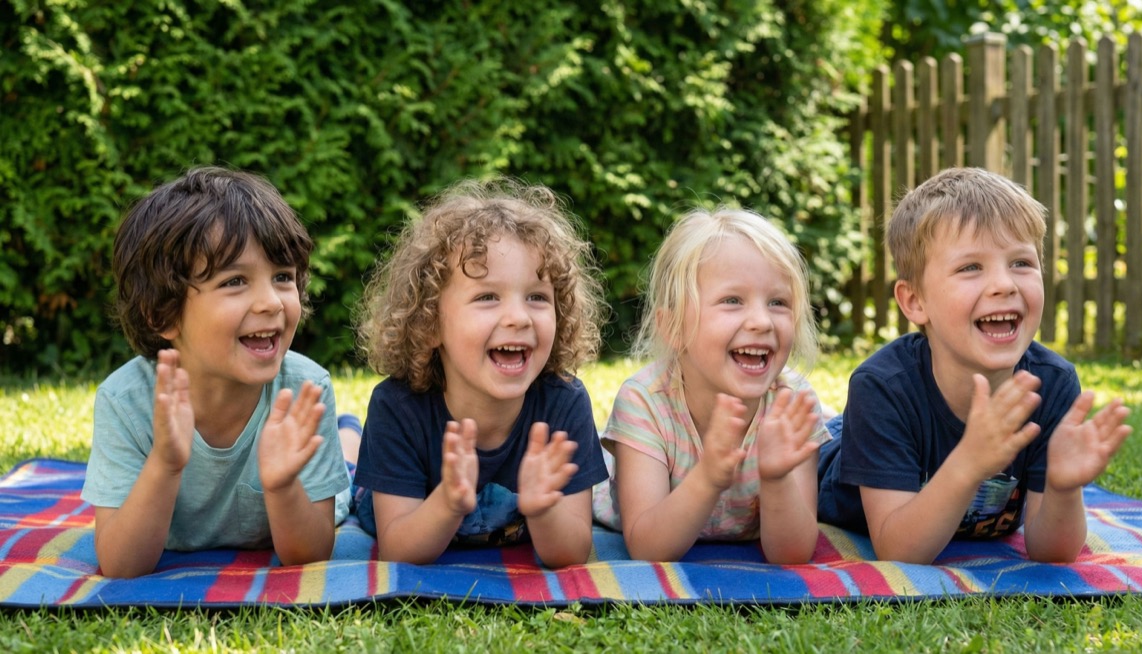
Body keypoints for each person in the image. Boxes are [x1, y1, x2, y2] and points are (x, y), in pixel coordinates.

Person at [817, 167, 1133, 564]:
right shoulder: (882, 387)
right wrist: (969, 462)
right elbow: (897, 551)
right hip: (832, 463)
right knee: (805, 440)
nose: (1004, 284)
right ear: (915, 301)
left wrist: (1063, 489)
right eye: (970, 268)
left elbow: (1051, 552)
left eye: (1021, 262)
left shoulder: (1051, 384)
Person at [82, 166, 352, 578]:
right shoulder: (126, 402)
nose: (271, 302)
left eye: (282, 277)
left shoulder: (304, 392)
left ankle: (349, 436)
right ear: (162, 313)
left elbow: (309, 560)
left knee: (351, 471)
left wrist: (282, 486)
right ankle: (348, 433)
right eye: (235, 281)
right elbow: (121, 566)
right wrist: (165, 463)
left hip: (310, 484)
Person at [353, 178, 609, 568]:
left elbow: (572, 554)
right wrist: (447, 502)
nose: (519, 317)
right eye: (487, 297)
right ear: (430, 324)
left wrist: (543, 510)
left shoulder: (564, 404)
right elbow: (397, 552)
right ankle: (348, 434)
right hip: (383, 501)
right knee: (349, 472)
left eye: (537, 297)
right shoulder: (397, 407)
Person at [592, 208, 831, 564]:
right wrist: (708, 476)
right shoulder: (644, 402)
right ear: (672, 327)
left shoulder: (791, 404)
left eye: (778, 303)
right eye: (732, 301)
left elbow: (793, 555)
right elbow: (646, 548)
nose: (762, 321)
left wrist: (777, 478)